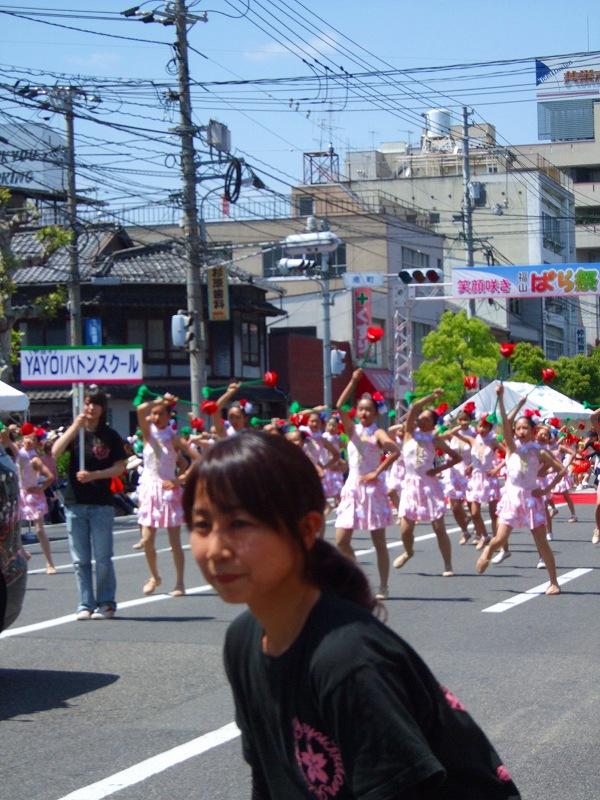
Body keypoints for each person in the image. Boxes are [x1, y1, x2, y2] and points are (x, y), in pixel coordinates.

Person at [183, 431, 521, 800]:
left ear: (307, 529)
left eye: (239, 524)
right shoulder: (242, 640)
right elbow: (268, 780)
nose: (215, 549)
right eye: (202, 526)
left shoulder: (347, 660)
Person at [476, 385, 565, 595]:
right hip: (512, 497)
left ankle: (554, 582)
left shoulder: (539, 452)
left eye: (526, 428)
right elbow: (505, 423)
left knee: (541, 542)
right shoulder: (511, 448)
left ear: (533, 432)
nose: (521, 431)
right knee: (500, 538)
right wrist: (502, 398)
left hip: (532, 499)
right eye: (518, 429)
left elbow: (561, 469)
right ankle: (489, 550)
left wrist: (546, 489)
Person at [52, 386, 127, 620]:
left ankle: (106, 602)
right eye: (87, 403)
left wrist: (95, 475)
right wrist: (74, 427)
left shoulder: (110, 435)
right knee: (80, 560)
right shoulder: (76, 433)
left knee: (103, 558)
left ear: (102, 408)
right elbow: (54, 451)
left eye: (95, 403)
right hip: (75, 502)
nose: (90, 408)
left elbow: (120, 467)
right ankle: (85, 603)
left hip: (101, 503)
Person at [334, 369, 399, 601]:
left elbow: (395, 451)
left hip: (372, 490)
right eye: (361, 409)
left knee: (378, 541)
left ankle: (383, 586)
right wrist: (353, 381)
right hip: (352, 487)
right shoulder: (352, 430)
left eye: (368, 409)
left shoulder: (378, 432)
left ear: (375, 412)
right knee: (341, 540)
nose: (364, 413)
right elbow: (339, 406)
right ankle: (359, 580)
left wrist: (376, 472)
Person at [136, 393, 198, 597]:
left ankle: (180, 583)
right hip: (149, 489)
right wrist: (161, 400)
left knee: (174, 542)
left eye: (160, 414)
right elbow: (140, 409)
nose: (155, 417)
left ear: (169, 416)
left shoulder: (174, 438)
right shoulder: (148, 433)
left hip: (168, 490)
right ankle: (154, 577)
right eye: (153, 414)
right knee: (147, 540)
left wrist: (180, 480)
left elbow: (197, 459)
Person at [394, 390, 461, 577]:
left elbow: (456, 457)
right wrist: (431, 397)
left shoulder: (434, 440)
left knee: (439, 528)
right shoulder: (409, 434)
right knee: (405, 530)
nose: (421, 421)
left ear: (433, 424)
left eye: (426, 419)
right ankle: (408, 552)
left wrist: (438, 470)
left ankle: (448, 565)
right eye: (420, 418)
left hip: (429, 485)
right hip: (410, 485)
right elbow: (414, 408)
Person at [453, 415, 504, 551]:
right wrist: (462, 424)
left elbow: (509, 453)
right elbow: (453, 433)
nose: (482, 429)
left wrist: (496, 469)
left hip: (489, 479)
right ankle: (485, 536)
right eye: (480, 426)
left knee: (494, 514)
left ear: (490, 428)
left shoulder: (493, 442)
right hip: (475, 479)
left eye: (485, 427)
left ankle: (496, 540)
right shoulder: (473, 440)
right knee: (475, 513)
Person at [16, 429, 56, 573]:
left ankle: (49, 563)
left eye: (32, 439)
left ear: (36, 443)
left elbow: (50, 477)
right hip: (20, 494)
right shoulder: (19, 452)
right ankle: (23, 552)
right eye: (27, 437)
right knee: (13, 529)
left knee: (39, 529)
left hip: (33, 495)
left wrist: (41, 488)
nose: (28, 440)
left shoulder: (35, 458)